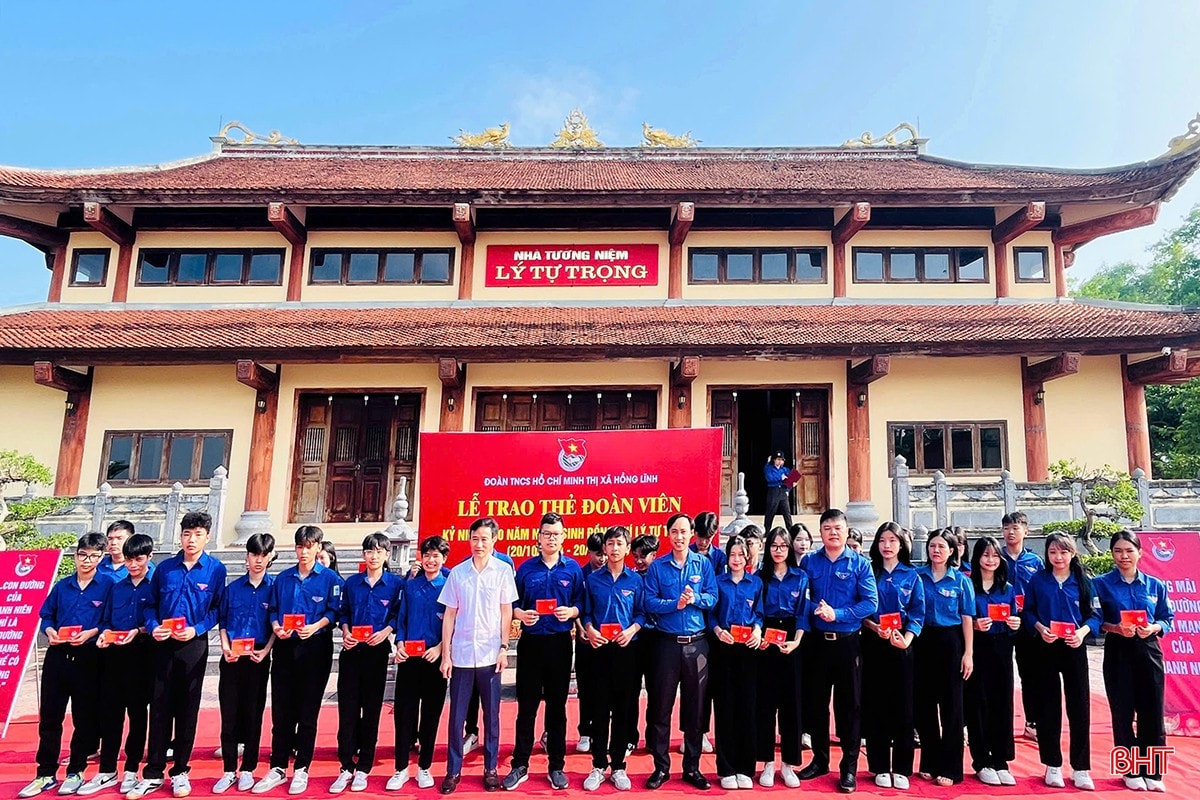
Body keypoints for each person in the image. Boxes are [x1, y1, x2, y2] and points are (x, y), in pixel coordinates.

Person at [125, 512, 225, 800]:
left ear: (207, 536)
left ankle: (180, 770)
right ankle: (153, 772)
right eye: (186, 534)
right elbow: (150, 605)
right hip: (162, 645)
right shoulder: (165, 569)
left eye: (197, 534)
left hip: (193, 645)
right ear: (180, 536)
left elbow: (218, 609)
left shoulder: (215, 570)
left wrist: (197, 629)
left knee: (186, 708)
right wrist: (154, 627)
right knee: (159, 707)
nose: (191, 540)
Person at [253, 525, 343, 795]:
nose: (303, 551)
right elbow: (274, 610)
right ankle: (278, 767)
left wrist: (316, 626)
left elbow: (334, 612)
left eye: (309, 546)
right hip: (285, 649)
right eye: (299, 546)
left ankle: (302, 768)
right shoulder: (283, 578)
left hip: (315, 648)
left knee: (307, 712)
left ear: (318, 547)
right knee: (281, 711)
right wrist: (277, 625)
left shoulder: (330, 579)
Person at [20, 533, 111, 799]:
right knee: (50, 716)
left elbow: (109, 621)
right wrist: (49, 631)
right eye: (83, 554)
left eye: (94, 556)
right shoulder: (62, 586)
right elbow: (46, 614)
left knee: (84, 717)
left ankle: (76, 770)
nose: (87, 560)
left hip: (87, 658)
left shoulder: (107, 586)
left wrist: (91, 633)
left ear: (102, 558)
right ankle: (45, 773)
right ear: (75, 556)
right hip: (58, 656)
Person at [504, 513, 585, 791]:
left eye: (556, 534)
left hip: (560, 645)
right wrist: (520, 615)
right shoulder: (526, 569)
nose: (551, 538)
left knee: (557, 708)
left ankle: (556, 766)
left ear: (564, 537)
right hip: (531, 644)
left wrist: (571, 611)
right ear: (538, 537)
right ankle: (520, 764)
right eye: (546, 533)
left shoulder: (573, 569)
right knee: (526, 708)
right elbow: (512, 604)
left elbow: (580, 605)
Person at [799, 508, 878, 793]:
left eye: (838, 528)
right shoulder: (810, 563)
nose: (833, 532)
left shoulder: (860, 564)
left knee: (850, 707)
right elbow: (800, 598)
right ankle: (820, 760)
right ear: (820, 533)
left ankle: (849, 768)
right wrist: (816, 610)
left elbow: (870, 603)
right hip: (817, 645)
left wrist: (839, 613)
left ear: (846, 531)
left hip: (847, 643)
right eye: (828, 528)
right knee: (817, 705)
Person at [439, 518, 518, 794]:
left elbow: (506, 611)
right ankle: (453, 770)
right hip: (461, 655)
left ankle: (491, 768)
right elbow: (449, 614)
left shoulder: (502, 571)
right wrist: (446, 654)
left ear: (494, 540)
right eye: (475, 538)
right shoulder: (458, 573)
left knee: (492, 716)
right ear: (469, 539)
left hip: (490, 654)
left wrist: (504, 648)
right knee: (457, 716)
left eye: (485, 539)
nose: (479, 544)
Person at [1094, 530, 1174, 792]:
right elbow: (1095, 620)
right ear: (1112, 554)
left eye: (1129, 550)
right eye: (1118, 551)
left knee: (1152, 712)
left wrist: (1154, 628)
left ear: (1140, 552)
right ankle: (1129, 770)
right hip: (1118, 651)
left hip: (1149, 650)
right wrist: (1116, 628)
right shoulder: (1101, 584)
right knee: (1122, 711)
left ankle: (1154, 771)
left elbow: (1166, 618)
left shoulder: (1155, 585)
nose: (1123, 556)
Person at [643, 513, 718, 791]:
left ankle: (692, 767)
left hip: (697, 645)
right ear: (668, 534)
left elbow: (713, 598)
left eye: (684, 531)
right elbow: (649, 601)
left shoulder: (704, 564)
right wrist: (673, 604)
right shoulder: (658, 567)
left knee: (695, 709)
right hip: (666, 645)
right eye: (674, 531)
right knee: (661, 707)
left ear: (692, 534)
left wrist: (695, 598)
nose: (679, 536)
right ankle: (661, 767)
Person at [1022, 533, 1101, 790]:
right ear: (1047, 554)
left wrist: (1082, 632)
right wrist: (1039, 627)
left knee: (1079, 707)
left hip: (1073, 647)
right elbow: (1028, 611)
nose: (1058, 557)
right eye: (1053, 552)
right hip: (1045, 648)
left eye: (1064, 552)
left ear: (1073, 553)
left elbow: (1095, 616)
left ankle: (1081, 767)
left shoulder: (1084, 581)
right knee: (1048, 707)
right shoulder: (1038, 580)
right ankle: (1052, 763)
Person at [78, 533, 155, 797]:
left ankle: (132, 769)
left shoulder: (153, 586)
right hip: (113, 656)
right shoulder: (117, 587)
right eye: (130, 559)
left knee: (137, 715)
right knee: (110, 714)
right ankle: (107, 770)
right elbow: (107, 620)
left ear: (149, 558)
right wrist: (103, 633)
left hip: (141, 657)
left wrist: (140, 630)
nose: (133, 565)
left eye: (139, 559)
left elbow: (156, 620)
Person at [332, 533, 404, 793]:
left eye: (378, 552)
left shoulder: (395, 584)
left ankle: (363, 767)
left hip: (377, 652)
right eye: (368, 551)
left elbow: (398, 614)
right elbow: (344, 612)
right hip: (352, 651)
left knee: (371, 710)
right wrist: (346, 631)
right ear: (363, 555)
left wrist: (386, 631)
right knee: (348, 710)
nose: (373, 556)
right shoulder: (352, 583)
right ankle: (345, 766)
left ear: (386, 555)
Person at [580, 526, 644, 792]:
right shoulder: (593, 580)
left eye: (620, 543)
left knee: (622, 709)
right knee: (598, 709)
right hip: (600, 651)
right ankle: (597, 765)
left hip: (626, 651)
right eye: (610, 544)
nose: (615, 548)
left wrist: (631, 630)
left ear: (627, 549)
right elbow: (585, 613)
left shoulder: (636, 581)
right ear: (604, 549)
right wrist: (591, 630)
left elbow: (642, 614)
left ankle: (618, 765)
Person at [861, 522, 924, 791]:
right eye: (883, 540)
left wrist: (906, 639)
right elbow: (861, 607)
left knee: (903, 705)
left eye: (892, 541)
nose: (887, 546)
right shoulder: (868, 572)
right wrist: (874, 627)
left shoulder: (911, 575)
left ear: (902, 545)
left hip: (902, 646)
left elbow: (918, 613)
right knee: (876, 704)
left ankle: (901, 767)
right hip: (874, 644)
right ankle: (878, 765)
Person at [213, 533, 276, 794]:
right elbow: (224, 621)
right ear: (246, 556)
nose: (258, 560)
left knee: (253, 714)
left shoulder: (274, 589)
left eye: (263, 555)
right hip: (232, 657)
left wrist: (267, 650)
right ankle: (229, 770)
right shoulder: (232, 589)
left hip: (258, 658)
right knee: (229, 715)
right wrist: (226, 647)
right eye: (254, 554)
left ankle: (248, 769)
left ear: (270, 557)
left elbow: (275, 623)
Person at [913, 527, 974, 786]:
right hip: (922, 641)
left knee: (952, 708)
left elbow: (966, 618)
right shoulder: (918, 576)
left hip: (951, 643)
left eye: (942, 547)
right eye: (932, 546)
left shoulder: (961, 580)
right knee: (924, 706)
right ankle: (929, 761)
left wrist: (968, 652)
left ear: (952, 551)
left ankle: (951, 767)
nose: (936, 550)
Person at [390, 536, 451, 791]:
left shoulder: (449, 586)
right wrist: (400, 644)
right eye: (427, 555)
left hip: (435, 660)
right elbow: (401, 618)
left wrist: (440, 648)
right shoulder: (411, 586)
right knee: (404, 714)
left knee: (430, 715)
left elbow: (453, 624)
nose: (431, 560)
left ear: (444, 559)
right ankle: (401, 768)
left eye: (436, 556)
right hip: (409, 659)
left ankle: (424, 767)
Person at [755, 526, 808, 789]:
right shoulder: (759, 577)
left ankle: (788, 764)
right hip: (765, 638)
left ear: (790, 548)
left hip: (790, 640)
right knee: (765, 704)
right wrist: (760, 636)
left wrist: (797, 641)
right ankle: (766, 763)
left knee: (791, 704)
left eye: (783, 546)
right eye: (774, 546)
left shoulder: (800, 577)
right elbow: (754, 610)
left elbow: (802, 614)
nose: (778, 550)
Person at [966, 536, 1021, 786]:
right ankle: (982, 761)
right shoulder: (967, 584)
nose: (990, 560)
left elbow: (1016, 619)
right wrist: (976, 625)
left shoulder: (1007, 588)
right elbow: (961, 619)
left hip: (1001, 649)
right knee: (978, 704)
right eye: (986, 555)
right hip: (976, 649)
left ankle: (1001, 760)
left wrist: (1014, 624)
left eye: (995, 556)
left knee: (1002, 703)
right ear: (977, 558)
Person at [710, 533, 763, 790]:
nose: (737, 559)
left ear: (748, 557)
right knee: (726, 708)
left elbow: (760, 614)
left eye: (741, 555)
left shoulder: (756, 584)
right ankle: (726, 768)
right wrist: (719, 631)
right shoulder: (718, 582)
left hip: (748, 651)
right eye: (732, 554)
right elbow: (710, 615)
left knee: (747, 708)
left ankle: (746, 767)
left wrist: (757, 630)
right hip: (724, 649)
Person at [1000, 511, 1043, 741]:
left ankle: (1032, 721)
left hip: (1028, 623)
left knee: (1031, 673)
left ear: (1026, 531)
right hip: (1001, 623)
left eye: (1015, 527)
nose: (1010, 532)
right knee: (1001, 674)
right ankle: (999, 723)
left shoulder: (1034, 561)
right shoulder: (996, 557)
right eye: (1006, 527)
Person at [626, 534, 661, 753]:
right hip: (635, 641)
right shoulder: (631, 578)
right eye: (636, 556)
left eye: (644, 556)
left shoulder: (660, 575)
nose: (639, 560)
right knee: (630, 692)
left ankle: (654, 739)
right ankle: (630, 737)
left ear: (654, 555)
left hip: (658, 641)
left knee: (657, 693)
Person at [574, 531, 606, 756]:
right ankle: (585, 731)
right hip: (585, 639)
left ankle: (602, 732)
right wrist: (581, 628)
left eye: (604, 554)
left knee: (603, 688)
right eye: (598, 554)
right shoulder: (581, 574)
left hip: (605, 640)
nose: (602, 558)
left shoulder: (609, 574)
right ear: (589, 552)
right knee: (585, 688)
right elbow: (576, 604)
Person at [762, 452, 794, 533]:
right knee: (770, 512)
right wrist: (781, 478)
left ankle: (791, 531)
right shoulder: (769, 468)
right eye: (778, 459)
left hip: (783, 491)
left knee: (787, 513)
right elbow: (769, 478)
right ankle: (766, 531)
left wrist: (788, 490)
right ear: (774, 460)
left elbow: (791, 480)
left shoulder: (785, 469)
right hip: (773, 491)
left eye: (781, 460)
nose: (780, 461)